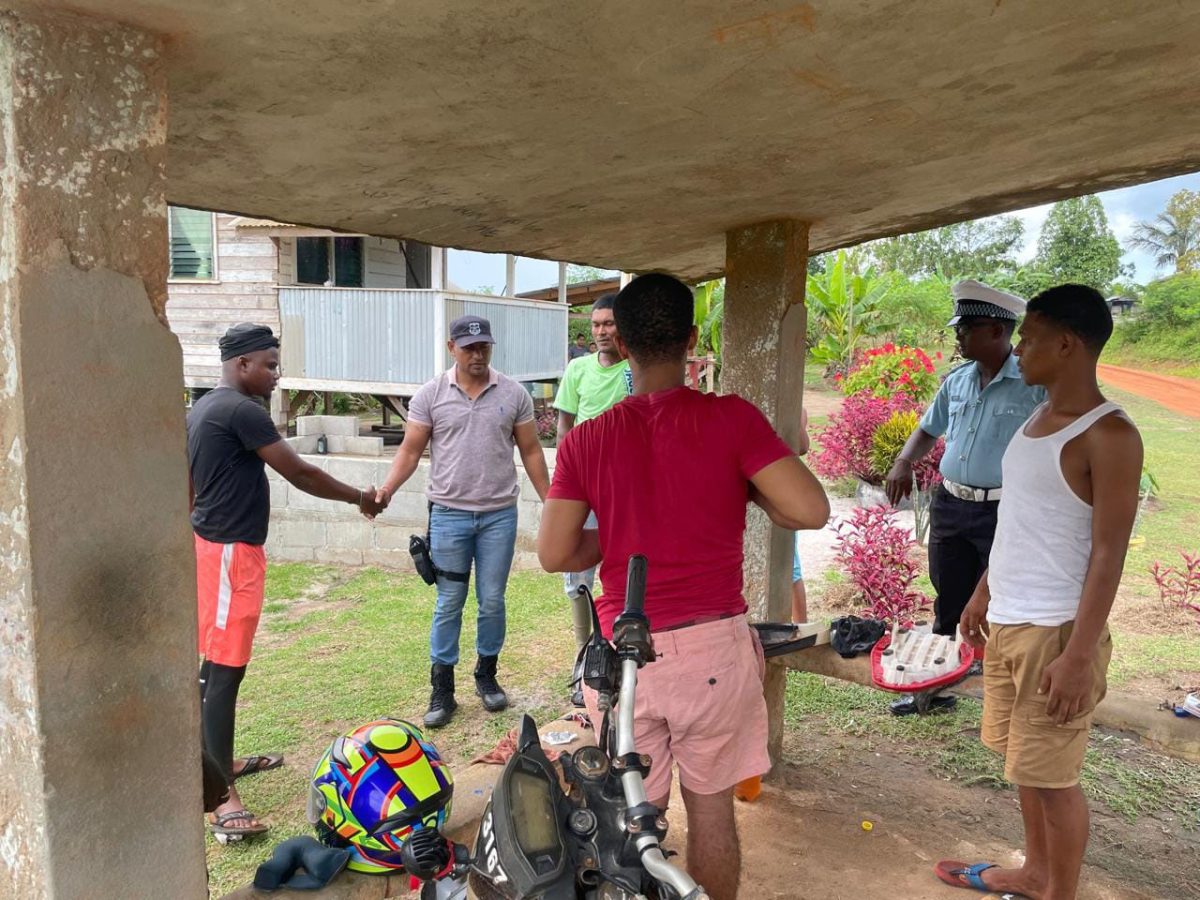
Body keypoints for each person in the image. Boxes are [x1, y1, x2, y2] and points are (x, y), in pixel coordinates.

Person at [538, 273, 829, 900]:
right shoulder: (731, 420)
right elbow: (810, 509)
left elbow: (555, 552)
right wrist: (750, 491)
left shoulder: (588, 438)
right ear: (692, 340)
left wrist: (617, 535)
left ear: (625, 345)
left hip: (629, 658)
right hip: (713, 653)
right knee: (714, 812)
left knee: (633, 823)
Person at [936, 284, 1142, 900]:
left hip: (1057, 634)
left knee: (1054, 778)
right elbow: (1018, 523)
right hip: (1010, 620)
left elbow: (1109, 555)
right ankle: (1033, 873)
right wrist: (981, 595)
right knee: (1023, 764)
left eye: (1027, 337)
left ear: (1067, 344)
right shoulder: (1035, 419)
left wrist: (1078, 656)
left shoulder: (1110, 437)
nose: (1018, 348)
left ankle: (1060, 892)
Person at [189, 323, 387, 841]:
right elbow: (300, 474)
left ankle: (221, 762)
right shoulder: (240, 410)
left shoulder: (206, 407)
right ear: (241, 365)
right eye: (269, 365)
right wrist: (358, 498)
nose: (276, 375)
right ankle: (219, 798)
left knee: (216, 669)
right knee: (222, 674)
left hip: (216, 549)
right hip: (229, 554)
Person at [377, 315, 550, 729]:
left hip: (498, 517)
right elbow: (410, 451)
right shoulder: (430, 395)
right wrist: (385, 491)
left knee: (492, 599)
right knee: (449, 602)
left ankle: (486, 676)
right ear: (451, 347)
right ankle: (442, 690)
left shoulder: (512, 393)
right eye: (469, 347)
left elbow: (530, 451)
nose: (478, 354)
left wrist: (553, 501)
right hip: (449, 517)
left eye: (484, 347)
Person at [884, 280, 1045, 715]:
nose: (957, 335)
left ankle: (1002, 698)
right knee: (949, 598)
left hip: (1004, 510)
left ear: (996, 330)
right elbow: (928, 429)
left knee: (1002, 602)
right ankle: (935, 688)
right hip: (951, 503)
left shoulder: (1035, 386)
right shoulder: (957, 380)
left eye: (966, 327)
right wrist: (903, 461)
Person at [553, 293, 632, 704]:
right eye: (597, 324)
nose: (602, 331)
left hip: (623, 493)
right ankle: (585, 660)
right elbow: (565, 426)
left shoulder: (633, 372)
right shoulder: (577, 369)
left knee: (620, 575)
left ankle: (620, 658)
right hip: (583, 489)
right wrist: (564, 482)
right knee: (577, 578)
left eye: (609, 324)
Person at [792, 406, 811, 623]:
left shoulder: (799, 409)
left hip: (782, 493)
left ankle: (800, 628)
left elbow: (802, 446)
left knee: (791, 569)